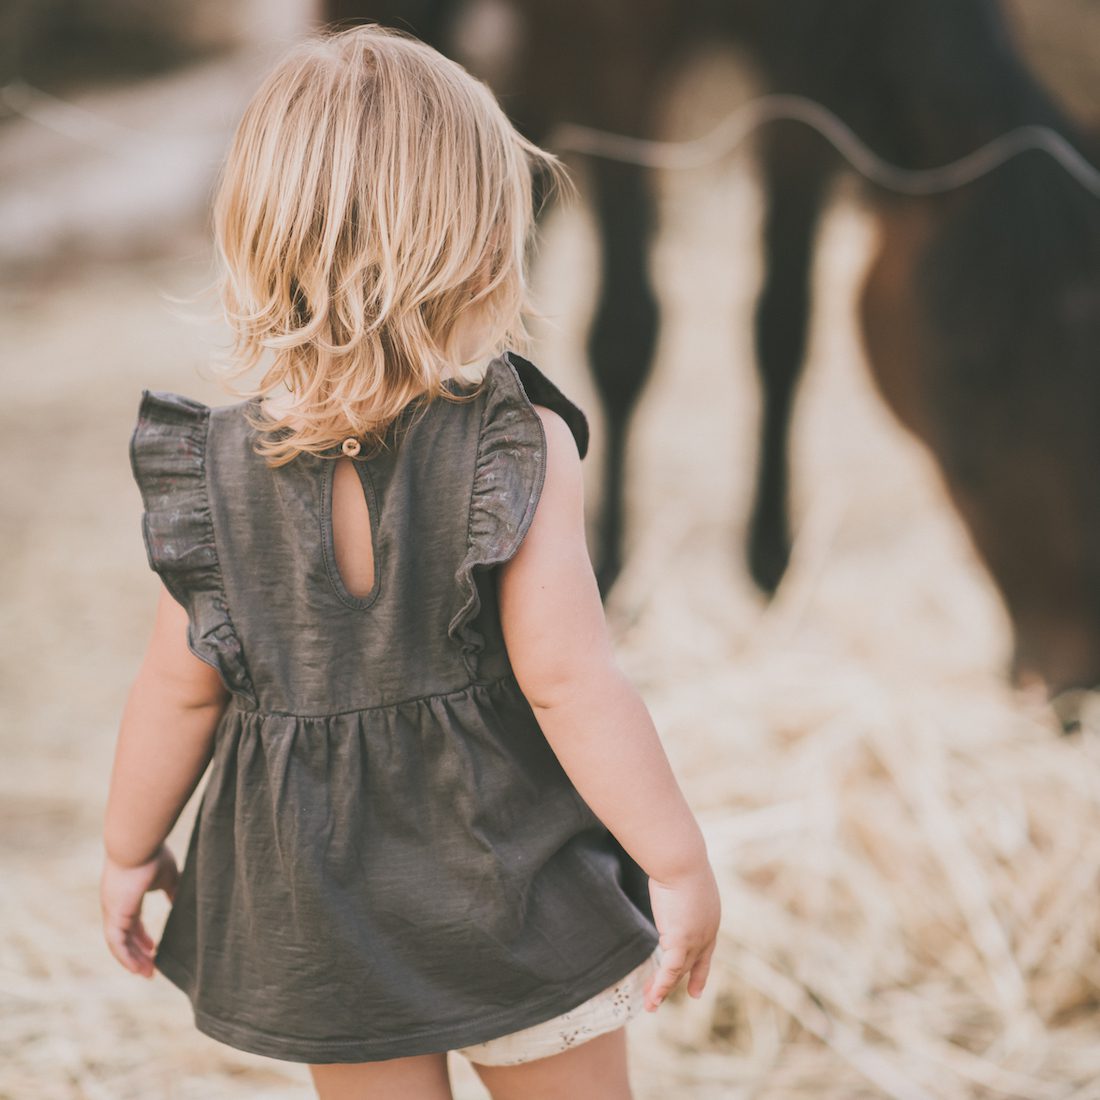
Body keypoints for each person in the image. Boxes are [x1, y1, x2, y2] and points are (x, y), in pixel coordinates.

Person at [99, 23, 720, 1100]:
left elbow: (177, 688)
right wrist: (673, 857)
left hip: (322, 913)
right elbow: (569, 679)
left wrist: (127, 845)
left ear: (252, 236)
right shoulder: (512, 438)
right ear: (481, 238)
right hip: (509, 889)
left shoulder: (210, 473)